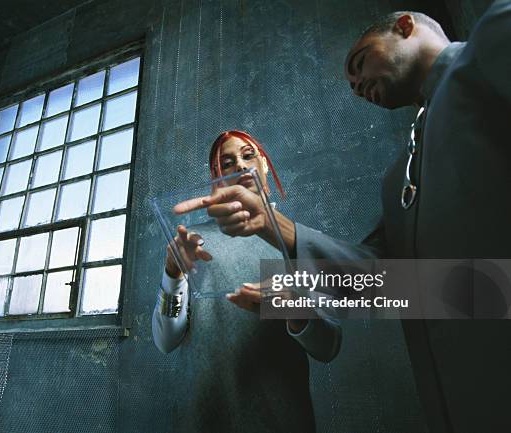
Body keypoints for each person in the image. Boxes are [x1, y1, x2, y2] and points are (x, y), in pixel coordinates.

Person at [174, 3, 511, 432]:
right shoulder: (398, 180)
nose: (356, 86)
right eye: (350, 83)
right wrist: (275, 232)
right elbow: (380, 285)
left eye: (359, 62)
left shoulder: (493, 42)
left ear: (405, 27)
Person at [152, 130, 341, 433]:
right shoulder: (193, 242)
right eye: (227, 163)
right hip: (203, 420)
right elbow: (165, 341)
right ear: (217, 177)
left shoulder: (300, 243)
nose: (240, 166)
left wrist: (294, 311)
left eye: (248, 155)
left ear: (264, 164)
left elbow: (328, 346)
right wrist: (173, 274)